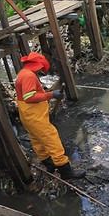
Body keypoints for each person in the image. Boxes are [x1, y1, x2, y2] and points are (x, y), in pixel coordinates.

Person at [15, 52, 85, 180]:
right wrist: (51, 95)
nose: (41, 70)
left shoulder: (23, 74)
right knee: (52, 141)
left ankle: (49, 164)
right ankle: (66, 172)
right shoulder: (29, 76)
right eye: (41, 68)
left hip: (28, 117)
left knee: (38, 141)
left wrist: (46, 94)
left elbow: (27, 95)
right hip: (35, 117)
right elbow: (29, 97)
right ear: (36, 65)